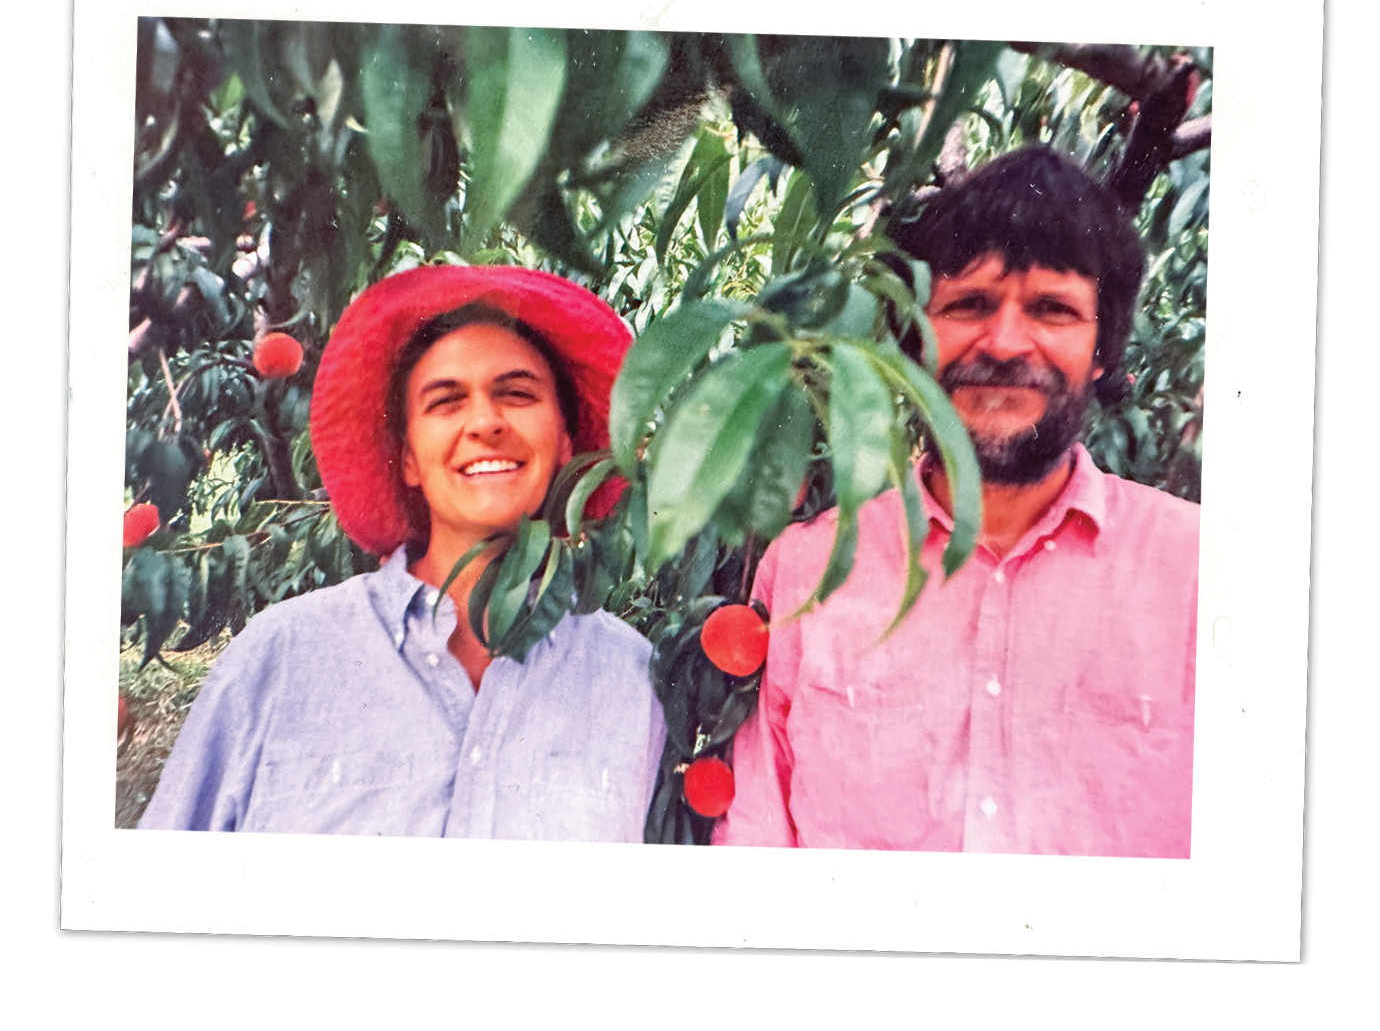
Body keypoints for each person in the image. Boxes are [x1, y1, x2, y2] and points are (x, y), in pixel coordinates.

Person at [716, 146, 1200, 857]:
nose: (1004, 343)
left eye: (1052, 310)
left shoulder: (1198, 575)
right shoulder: (806, 572)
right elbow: (755, 847)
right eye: (969, 304)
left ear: (1104, 350)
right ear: (915, 341)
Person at [140, 266, 666, 840]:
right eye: (446, 402)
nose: (486, 422)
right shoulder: (279, 660)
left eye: (516, 393)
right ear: (409, 458)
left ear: (566, 443)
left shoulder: (633, 679)